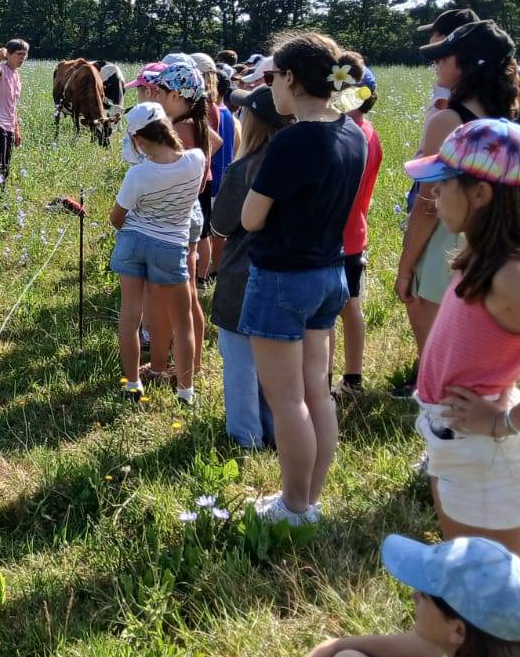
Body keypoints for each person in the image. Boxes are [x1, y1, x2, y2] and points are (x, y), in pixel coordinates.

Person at [405, 118, 520, 554]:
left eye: (444, 184)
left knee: (488, 584)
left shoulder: (510, 274)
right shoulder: (485, 257)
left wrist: (504, 424)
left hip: (485, 446)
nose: (435, 194)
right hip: (460, 438)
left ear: (481, 193)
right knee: (469, 576)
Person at [239, 32, 369, 525]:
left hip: (282, 279)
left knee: (287, 399)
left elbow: (251, 219)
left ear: (290, 78)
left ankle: (293, 506)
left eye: (272, 77)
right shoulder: (352, 131)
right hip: (329, 273)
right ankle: (308, 498)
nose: (269, 87)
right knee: (317, 391)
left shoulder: (293, 139)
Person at [395, 16, 517, 396]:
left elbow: (428, 205)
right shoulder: (508, 117)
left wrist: (405, 267)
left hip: (445, 244)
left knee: (438, 352)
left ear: (465, 64)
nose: (437, 64)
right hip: (493, 239)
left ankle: (439, 416)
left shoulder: (447, 119)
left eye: (444, 57)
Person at [297, 534, 520, 657]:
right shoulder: (452, 651)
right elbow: (334, 647)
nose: (413, 596)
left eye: (424, 594)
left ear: (457, 630)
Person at [212, 86, 291, 448]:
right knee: (276, 362)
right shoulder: (300, 163)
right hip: (287, 273)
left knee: (240, 359)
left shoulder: (244, 169)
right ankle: (276, 429)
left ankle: (245, 436)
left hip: (243, 271)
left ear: (254, 120)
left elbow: (222, 224)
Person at [111, 102, 205, 403]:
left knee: (130, 316)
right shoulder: (196, 160)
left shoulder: (138, 175)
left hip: (134, 243)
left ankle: (133, 384)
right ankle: (185, 390)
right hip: (172, 244)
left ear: (139, 139)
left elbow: (117, 218)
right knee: (182, 319)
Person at [150, 57, 219, 405]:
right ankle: (192, 363)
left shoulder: (184, 128)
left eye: (161, 91)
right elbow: (218, 142)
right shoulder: (197, 123)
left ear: (179, 95)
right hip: (189, 213)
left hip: (175, 217)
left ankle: (175, 367)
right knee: (188, 293)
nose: (157, 96)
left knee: (174, 297)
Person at [332, 67, 383, 394]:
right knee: (350, 306)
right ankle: (353, 376)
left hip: (336, 235)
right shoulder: (369, 131)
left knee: (331, 311)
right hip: (354, 233)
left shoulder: (348, 135)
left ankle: (328, 376)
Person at [198, 55, 237, 286]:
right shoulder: (225, 112)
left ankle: (211, 270)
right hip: (221, 176)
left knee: (210, 230)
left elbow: (217, 144)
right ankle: (213, 269)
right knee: (213, 229)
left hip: (213, 178)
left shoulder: (214, 112)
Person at [0, 39, 27, 187]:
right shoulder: (1, 69)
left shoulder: (16, 76)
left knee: (5, 167)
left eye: (24, 55)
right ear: (8, 54)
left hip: (8, 125)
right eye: (19, 54)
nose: (22, 58)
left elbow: (13, 105)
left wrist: (16, 130)